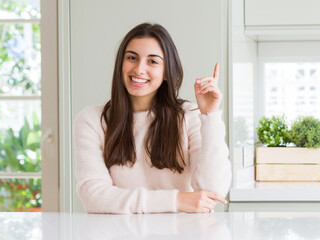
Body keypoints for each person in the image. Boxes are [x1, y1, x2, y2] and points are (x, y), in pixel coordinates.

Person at [73, 23, 231, 214]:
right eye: (132, 58)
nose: (139, 69)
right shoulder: (92, 120)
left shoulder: (189, 116)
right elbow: (94, 196)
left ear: (167, 72)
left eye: (153, 61)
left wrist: (210, 116)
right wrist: (176, 201)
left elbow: (213, 191)